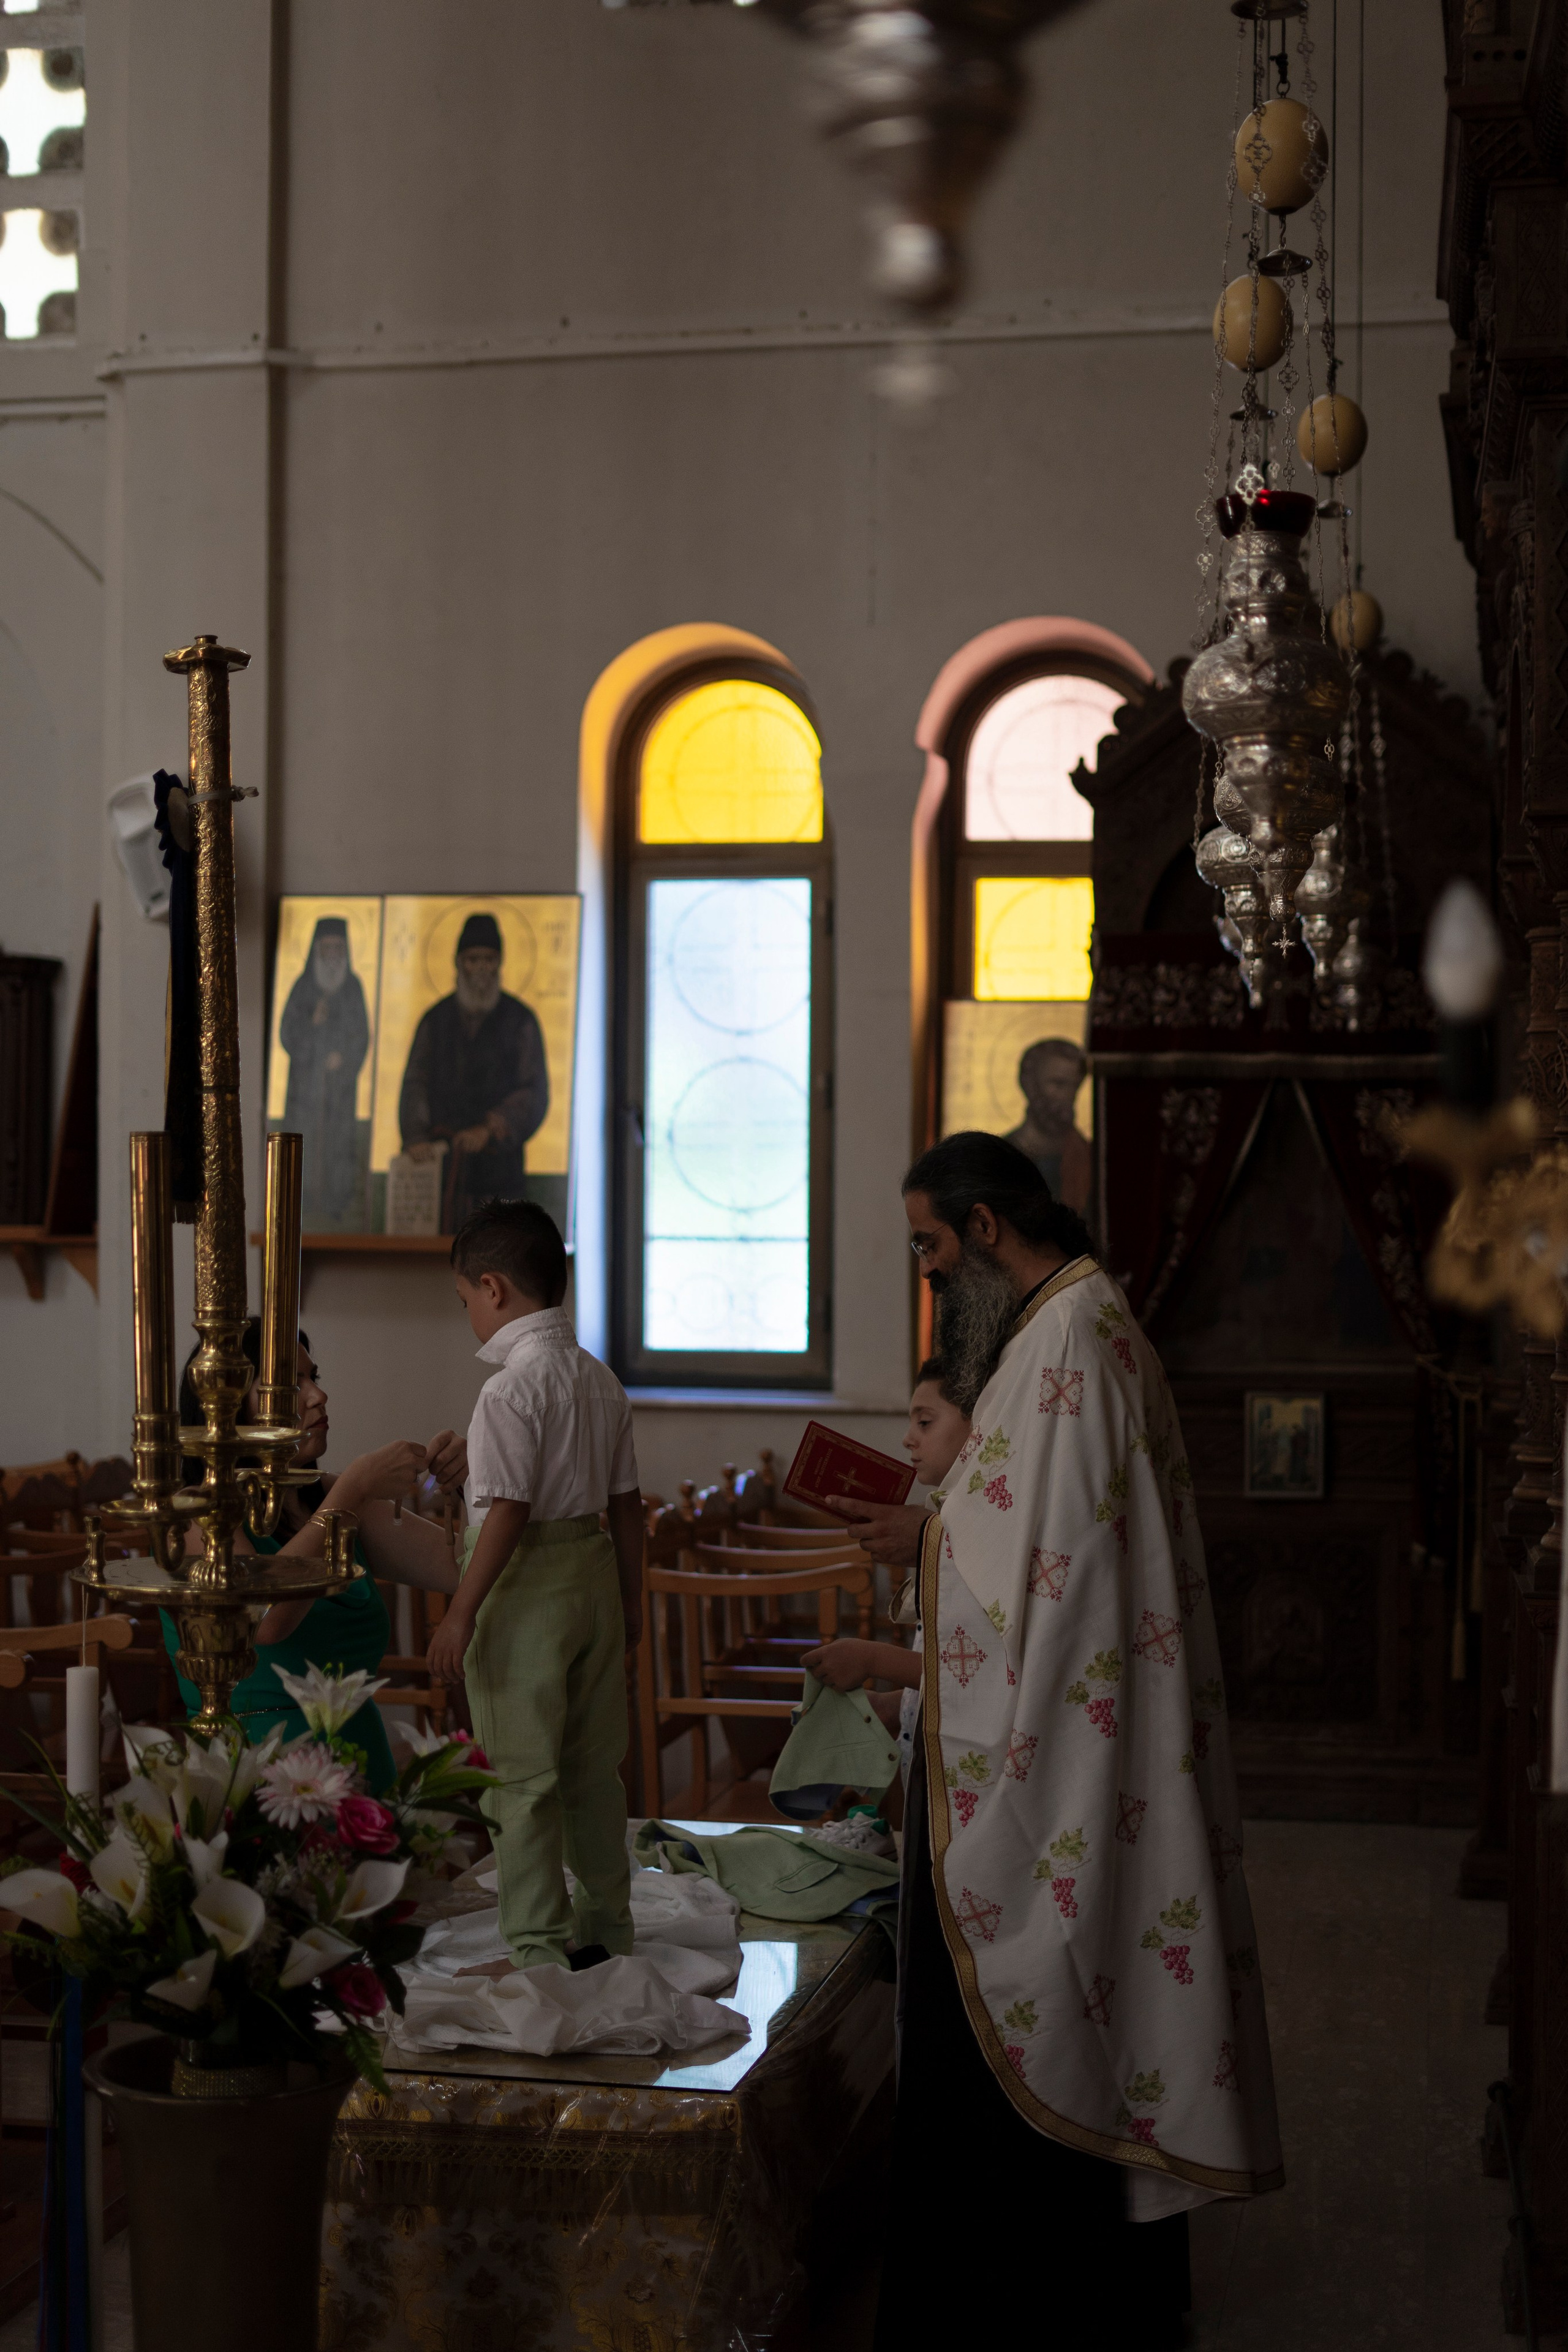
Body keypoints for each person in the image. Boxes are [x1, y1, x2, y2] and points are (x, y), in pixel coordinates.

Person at [831, 1133, 1282, 2350]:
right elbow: (1026, 1536)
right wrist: (928, 1530)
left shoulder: (1065, 1342)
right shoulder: (1071, 1329)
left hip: (1054, 1745)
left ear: (984, 1230)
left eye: (930, 1247)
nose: (928, 1278)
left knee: (1022, 2001)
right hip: (1060, 1718)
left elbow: (1054, 1570)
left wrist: (922, 1540)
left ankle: (1016, 2314)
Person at [426, 1197, 644, 1973]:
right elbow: (626, 1507)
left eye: (463, 1303)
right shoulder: (599, 1380)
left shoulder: (508, 1391)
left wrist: (460, 1613)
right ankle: (608, 1929)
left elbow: (508, 1512)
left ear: (492, 1289)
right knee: (591, 1769)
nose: (469, 1320)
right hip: (592, 1574)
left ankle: (538, 1949)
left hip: (523, 1587)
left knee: (519, 1779)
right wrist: (632, 1603)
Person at [163, 1324, 464, 1792]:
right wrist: (354, 1489)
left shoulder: (332, 1502)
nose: (318, 1395)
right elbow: (265, 1619)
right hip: (259, 1779)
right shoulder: (196, 1515)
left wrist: (473, 1483)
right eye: (291, 1386)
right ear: (225, 1411)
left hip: (361, 1769)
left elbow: (462, 1567)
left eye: (314, 1377)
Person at [801, 1357, 969, 1771]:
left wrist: (872, 1661)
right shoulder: (951, 1515)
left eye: (925, 1423)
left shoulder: (985, 1531)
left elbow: (979, 1670)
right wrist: (892, 1706)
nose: (908, 1439)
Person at [398, 912, 549, 1232]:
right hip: (443, 1166)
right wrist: (415, 1135)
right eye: (473, 959)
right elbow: (416, 1081)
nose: (481, 968)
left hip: (499, 1171)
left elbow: (534, 1090)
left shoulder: (520, 1021)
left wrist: (491, 1128)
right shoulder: (435, 1021)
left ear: (500, 964)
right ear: (458, 964)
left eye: (489, 959)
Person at [278, 915, 372, 1228]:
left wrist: (342, 1060)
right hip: (304, 1090)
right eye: (327, 948)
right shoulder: (303, 987)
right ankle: (302, 1202)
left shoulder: (354, 987)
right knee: (304, 1141)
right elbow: (287, 1033)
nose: (332, 954)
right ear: (316, 950)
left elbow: (362, 1035)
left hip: (339, 1090)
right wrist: (312, 1026)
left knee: (338, 1144)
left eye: (338, 948)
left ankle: (336, 1204)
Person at [1005, 1035, 1093, 1213]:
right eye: (1059, 1084)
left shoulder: (1087, 1154)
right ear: (1029, 1085)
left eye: (1075, 1086)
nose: (1068, 1096)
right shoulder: (1003, 1154)